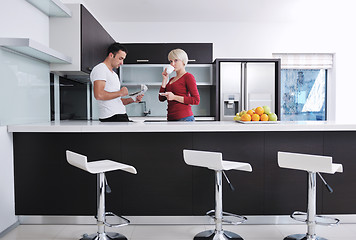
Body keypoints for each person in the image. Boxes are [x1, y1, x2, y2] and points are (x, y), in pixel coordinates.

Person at [90, 43, 143, 122]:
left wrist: (133, 99)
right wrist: (121, 93)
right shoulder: (100, 69)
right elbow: (99, 95)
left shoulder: (114, 75)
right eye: (120, 58)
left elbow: (117, 100)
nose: (122, 63)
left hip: (120, 115)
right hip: (111, 117)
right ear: (111, 55)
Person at [159, 49, 200, 121]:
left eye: (176, 60)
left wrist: (174, 97)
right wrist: (165, 80)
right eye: (171, 61)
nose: (172, 64)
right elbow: (161, 98)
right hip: (171, 118)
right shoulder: (171, 79)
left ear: (183, 61)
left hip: (185, 118)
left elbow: (196, 100)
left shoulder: (188, 77)